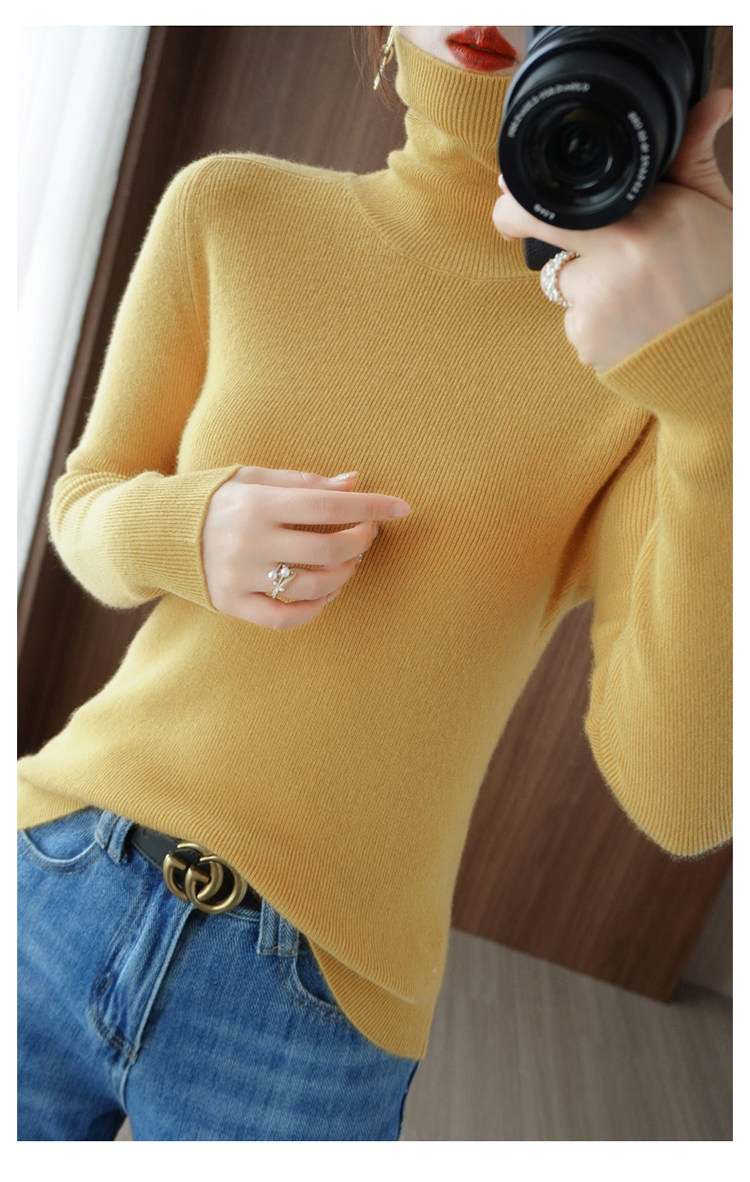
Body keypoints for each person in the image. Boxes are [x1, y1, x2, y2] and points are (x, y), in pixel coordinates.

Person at [17, 25, 732, 1141]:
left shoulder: (648, 359)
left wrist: (719, 398)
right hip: (54, 873)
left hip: (312, 1013)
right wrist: (185, 528)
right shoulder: (230, 209)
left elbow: (679, 800)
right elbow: (81, 504)